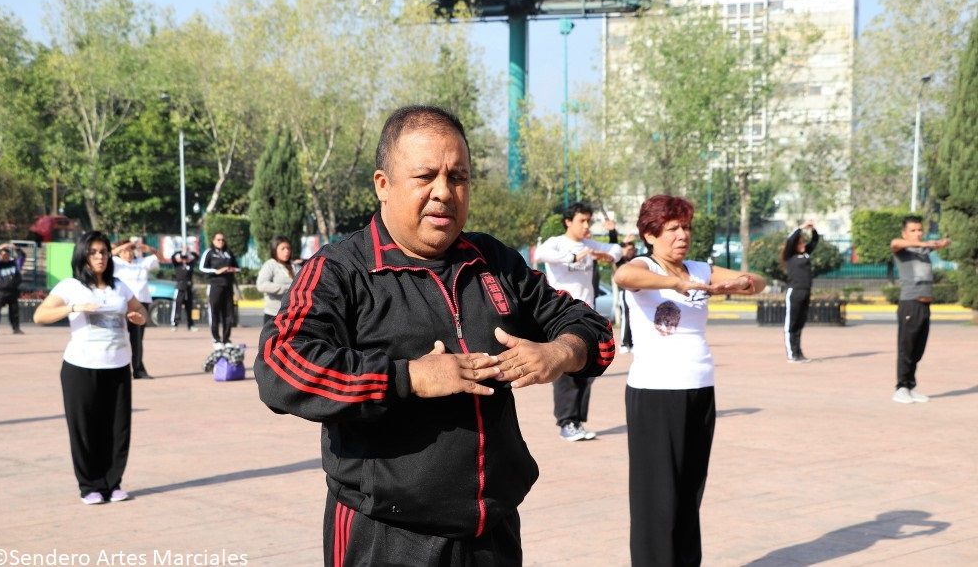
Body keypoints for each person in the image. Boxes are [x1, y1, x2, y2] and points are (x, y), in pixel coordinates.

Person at [253, 105, 614, 566]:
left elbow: (594, 330)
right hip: (384, 532)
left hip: (492, 532)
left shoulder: (493, 261)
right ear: (383, 185)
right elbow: (280, 365)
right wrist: (408, 378)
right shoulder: (340, 270)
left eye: (458, 178)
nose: (444, 192)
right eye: (425, 177)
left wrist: (561, 352)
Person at [614, 195, 765, 566]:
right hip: (655, 392)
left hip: (699, 387)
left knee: (688, 491)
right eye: (672, 229)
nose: (682, 235)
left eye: (686, 227)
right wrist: (675, 284)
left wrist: (740, 283)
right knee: (657, 496)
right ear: (650, 235)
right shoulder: (645, 267)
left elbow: (758, 283)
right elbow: (623, 276)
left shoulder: (699, 268)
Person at [33, 231, 147, 505]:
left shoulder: (119, 286)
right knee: (85, 429)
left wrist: (137, 317)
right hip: (81, 367)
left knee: (117, 429)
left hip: (118, 366)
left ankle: (112, 483)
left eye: (104, 252)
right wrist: (73, 307)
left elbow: (141, 312)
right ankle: (89, 486)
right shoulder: (71, 286)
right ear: (83, 255)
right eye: (93, 252)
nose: (100, 257)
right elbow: (40, 315)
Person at [533, 201, 622, 442]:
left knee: (588, 369)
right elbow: (540, 254)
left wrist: (606, 253)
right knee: (567, 369)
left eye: (589, 221)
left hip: (588, 314)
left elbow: (617, 250)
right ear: (568, 221)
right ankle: (566, 422)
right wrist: (573, 256)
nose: (586, 226)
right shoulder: (557, 243)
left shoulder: (590, 245)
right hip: (561, 314)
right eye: (582, 221)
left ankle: (578, 421)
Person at [889, 215, 950, 404]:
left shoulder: (923, 250)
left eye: (920, 230)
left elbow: (938, 244)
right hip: (910, 303)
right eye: (913, 230)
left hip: (925, 305)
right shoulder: (902, 250)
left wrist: (941, 243)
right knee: (906, 348)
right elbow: (894, 243)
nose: (917, 233)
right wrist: (924, 243)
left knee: (918, 349)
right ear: (905, 233)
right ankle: (900, 388)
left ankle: (910, 386)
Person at [112, 238, 160, 379]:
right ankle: (118, 370)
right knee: (120, 337)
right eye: (125, 251)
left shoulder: (142, 262)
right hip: (123, 304)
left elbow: (160, 258)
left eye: (131, 251)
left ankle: (138, 370)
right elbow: (108, 254)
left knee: (137, 339)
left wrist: (150, 249)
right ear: (119, 252)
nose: (128, 254)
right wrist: (125, 245)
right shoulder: (116, 263)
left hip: (141, 305)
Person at [781, 220, 819, 363]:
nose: (803, 245)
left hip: (806, 291)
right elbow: (790, 239)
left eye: (803, 243)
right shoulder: (790, 255)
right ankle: (792, 354)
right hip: (794, 292)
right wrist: (802, 227)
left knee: (800, 324)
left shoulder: (806, 254)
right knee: (791, 324)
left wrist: (813, 229)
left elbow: (815, 241)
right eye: (800, 243)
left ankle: (798, 353)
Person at [200, 232, 239, 349]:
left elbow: (238, 267)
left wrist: (232, 269)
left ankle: (226, 339)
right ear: (213, 241)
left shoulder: (228, 253)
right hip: (215, 286)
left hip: (228, 286)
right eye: (218, 240)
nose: (221, 242)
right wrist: (216, 271)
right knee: (214, 312)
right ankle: (216, 339)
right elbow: (202, 268)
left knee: (228, 313)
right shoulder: (209, 252)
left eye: (222, 240)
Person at [256, 235, 300, 325]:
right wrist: (287, 288)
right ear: (275, 250)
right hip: (273, 314)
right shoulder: (270, 265)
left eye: (288, 248)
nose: (286, 251)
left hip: (293, 315)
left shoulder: (295, 267)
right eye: (283, 249)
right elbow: (261, 285)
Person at [0, 242, 26, 335]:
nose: (4, 256)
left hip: (13, 291)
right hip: (1, 292)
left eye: (6, 254)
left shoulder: (15, 264)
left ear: (9, 255)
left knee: (14, 311)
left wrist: (16, 248)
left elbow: (22, 257)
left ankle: (16, 329)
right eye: (2, 254)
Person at [170, 247, 199, 331]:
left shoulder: (190, 264)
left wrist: (189, 252)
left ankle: (191, 324)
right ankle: (174, 324)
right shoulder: (177, 265)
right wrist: (180, 252)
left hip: (188, 288)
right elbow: (173, 257)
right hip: (180, 288)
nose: (184, 260)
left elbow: (196, 257)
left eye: (185, 258)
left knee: (189, 306)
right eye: (183, 258)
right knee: (177, 305)